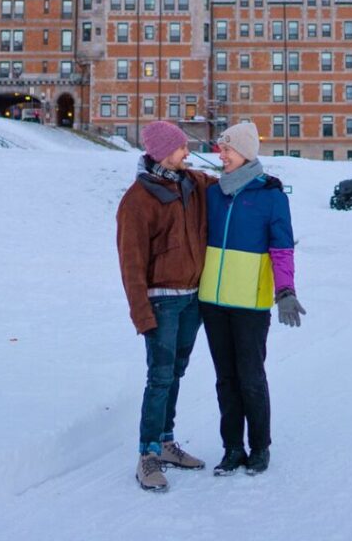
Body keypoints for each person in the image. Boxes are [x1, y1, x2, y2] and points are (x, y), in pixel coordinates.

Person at [199, 121, 305, 477]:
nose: (221, 154)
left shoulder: (271, 196)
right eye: (220, 148)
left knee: (250, 377)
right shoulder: (213, 193)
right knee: (224, 379)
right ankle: (232, 447)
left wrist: (285, 290)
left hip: (250, 304)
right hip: (213, 302)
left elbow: (282, 248)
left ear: (245, 153)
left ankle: (260, 447)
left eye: (227, 149)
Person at [116, 120, 215, 492]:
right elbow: (131, 263)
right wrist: (141, 314)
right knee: (159, 378)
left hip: (192, 300)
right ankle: (148, 454)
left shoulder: (192, 183)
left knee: (175, 373)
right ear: (161, 153)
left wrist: (261, 180)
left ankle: (168, 441)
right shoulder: (137, 201)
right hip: (161, 303)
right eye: (180, 148)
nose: (187, 153)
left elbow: (229, 187)